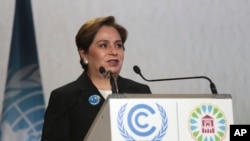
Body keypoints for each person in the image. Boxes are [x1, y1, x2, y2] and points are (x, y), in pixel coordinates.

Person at [40, 16, 151, 141]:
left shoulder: (140, 91)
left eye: (118, 45)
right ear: (84, 54)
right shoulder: (66, 98)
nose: (114, 51)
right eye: (103, 45)